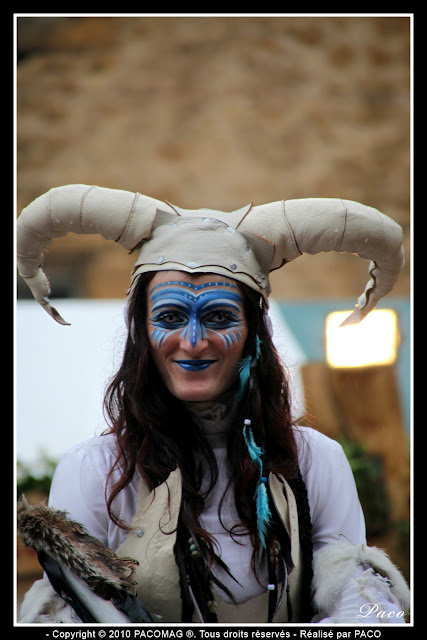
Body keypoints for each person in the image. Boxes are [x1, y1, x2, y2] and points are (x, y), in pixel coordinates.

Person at [17, 185, 410, 624]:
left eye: (219, 317)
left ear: (253, 335)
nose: (193, 341)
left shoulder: (315, 461)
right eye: (169, 317)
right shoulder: (94, 470)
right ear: (142, 334)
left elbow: (362, 602)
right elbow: (70, 614)